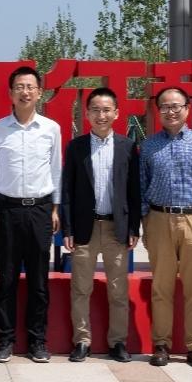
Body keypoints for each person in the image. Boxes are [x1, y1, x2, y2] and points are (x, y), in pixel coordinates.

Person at [138, 87, 192, 369]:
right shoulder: (148, 146)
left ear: (187, 108)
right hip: (159, 219)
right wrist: (145, 224)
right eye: (165, 106)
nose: (171, 111)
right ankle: (160, 344)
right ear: (158, 111)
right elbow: (141, 188)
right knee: (161, 287)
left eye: (176, 106)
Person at [0, 65, 62, 363]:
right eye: (19, 87)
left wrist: (55, 208)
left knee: (38, 281)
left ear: (39, 92)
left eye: (30, 87)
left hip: (40, 210)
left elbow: (56, 170)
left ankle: (37, 341)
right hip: (8, 209)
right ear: (10, 93)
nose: (25, 92)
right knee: (6, 279)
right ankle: (4, 340)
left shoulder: (51, 128)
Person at [60, 87, 141, 363]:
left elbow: (134, 191)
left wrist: (133, 228)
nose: (101, 115)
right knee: (81, 288)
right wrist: (68, 229)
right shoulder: (76, 147)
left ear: (116, 113)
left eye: (107, 110)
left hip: (116, 229)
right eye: (95, 110)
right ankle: (82, 341)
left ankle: (117, 342)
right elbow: (67, 190)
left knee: (118, 290)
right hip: (85, 228)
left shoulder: (127, 147)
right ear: (87, 114)